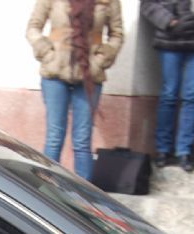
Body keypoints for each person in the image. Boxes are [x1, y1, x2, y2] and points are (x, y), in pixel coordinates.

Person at [26, 0, 125, 180]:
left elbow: (117, 34)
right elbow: (33, 28)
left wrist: (100, 60)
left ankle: (84, 201)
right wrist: (47, 53)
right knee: (54, 137)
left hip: (89, 75)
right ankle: (44, 193)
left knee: (82, 141)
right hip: (55, 73)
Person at [141, 0, 194, 171]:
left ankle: (184, 150)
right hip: (169, 39)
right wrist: (169, 21)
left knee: (191, 97)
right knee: (169, 95)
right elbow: (147, 4)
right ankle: (163, 149)